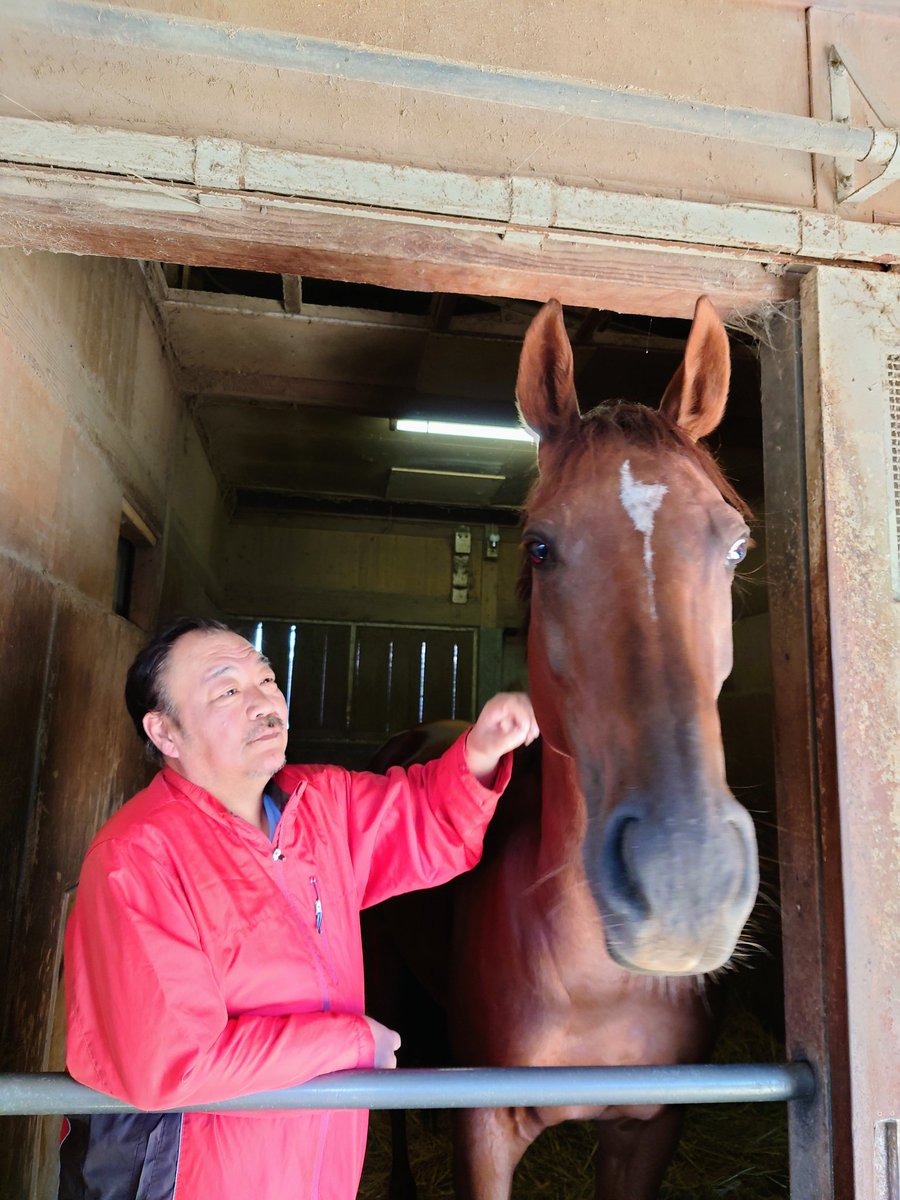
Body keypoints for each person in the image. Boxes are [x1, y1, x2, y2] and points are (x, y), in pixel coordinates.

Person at [58, 616, 538, 1200]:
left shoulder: (317, 803)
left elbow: (421, 821)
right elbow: (177, 1062)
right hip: (195, 1177)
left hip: (321, 1165)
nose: (263, 701)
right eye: (228, 690)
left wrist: (482, 750)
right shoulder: (137, 859)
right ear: (166, 733)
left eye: (266, 678)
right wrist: (351, 1044)